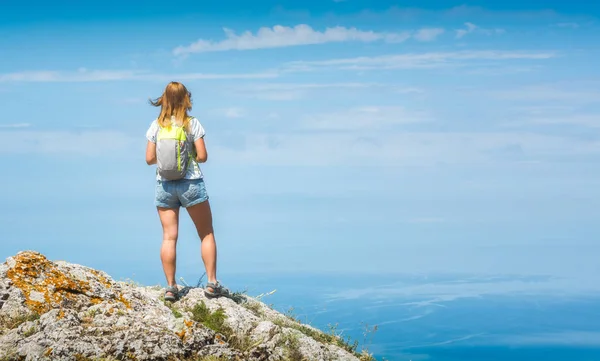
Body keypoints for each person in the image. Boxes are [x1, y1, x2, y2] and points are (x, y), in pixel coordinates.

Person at [145, 81, 229, 301]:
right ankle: (211, 283)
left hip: (164, 185)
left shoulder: (156, 125)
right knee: (206, 233)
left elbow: (149, 159)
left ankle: (171, 288)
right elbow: (202, 156)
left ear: (163, 99)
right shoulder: (192, 124)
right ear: (185, 99)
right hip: (191, 183)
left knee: (169, 237)